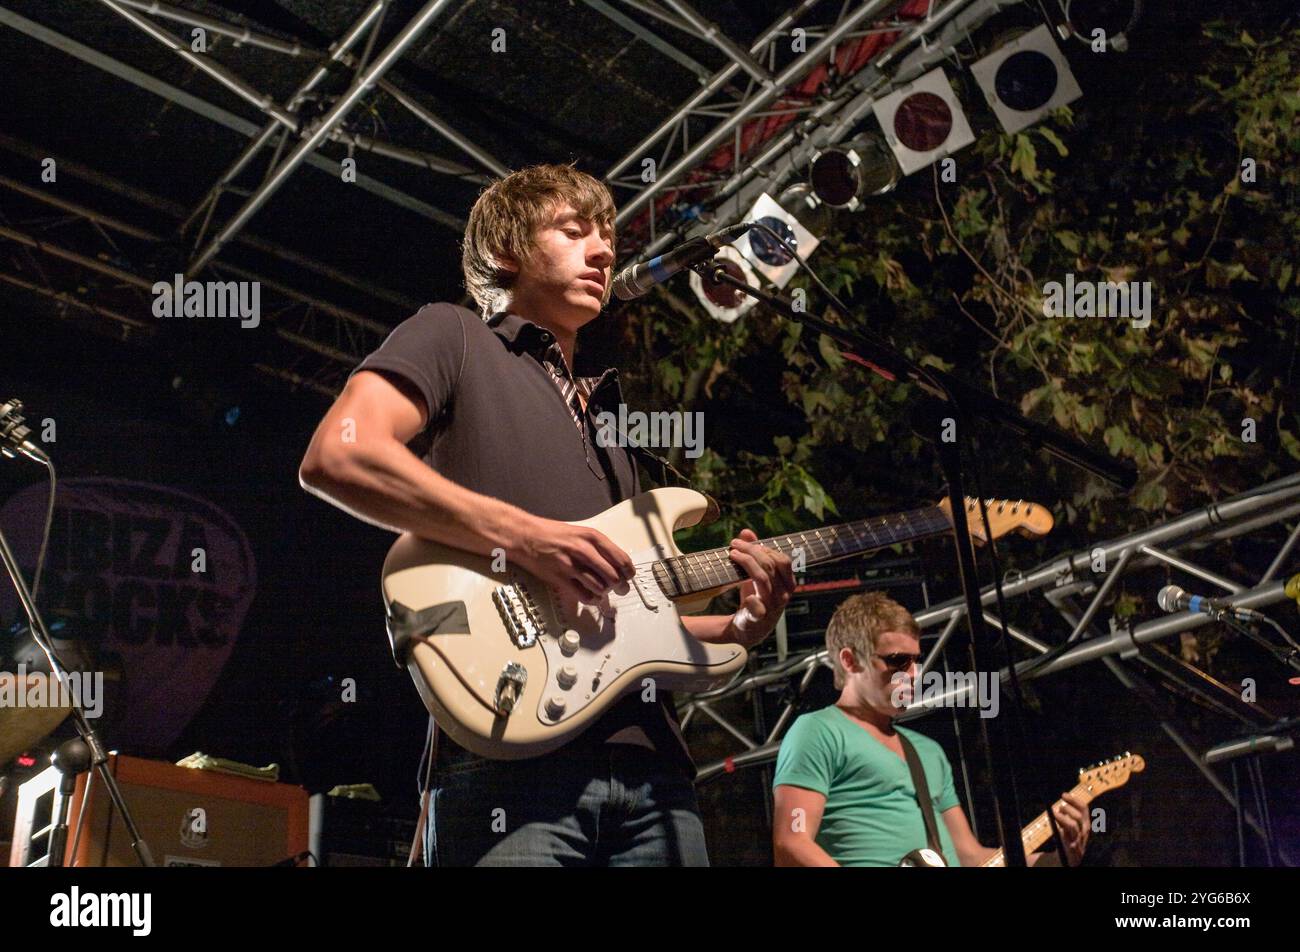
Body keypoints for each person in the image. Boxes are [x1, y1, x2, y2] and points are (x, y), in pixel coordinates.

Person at [298, 163, 795, 866]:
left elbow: (635, 623)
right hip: (509, 762)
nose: (604, 252)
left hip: (656, 773)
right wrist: (525, 538)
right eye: (574, 231)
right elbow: (339, 455)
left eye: (609, 239)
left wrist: (743, 625)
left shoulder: (611, 424)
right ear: (507, 251)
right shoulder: (456, 336)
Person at [772, 591, 1089, 867]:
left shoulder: (927, 751)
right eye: (898, 661)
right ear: (850, 661)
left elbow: (971, 857)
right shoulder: (818, 731)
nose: (913, 674)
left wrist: (1058, 859)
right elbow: (792, 843)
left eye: (916, 661)